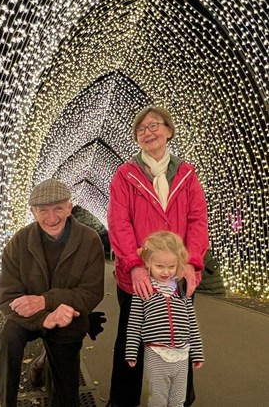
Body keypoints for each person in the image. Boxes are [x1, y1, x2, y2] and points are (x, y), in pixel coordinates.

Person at [107, 106, 209, 407]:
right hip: (136, 276)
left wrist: (191, 263)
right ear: (137, 138)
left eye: (154, 125)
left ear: (168, 131)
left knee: (180, 337)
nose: (148, 132)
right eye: (141, 129)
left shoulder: (187, 175)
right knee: (132, 336)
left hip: (176, 275)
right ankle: (123, 400)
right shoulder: (126, 175)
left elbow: (197, 220)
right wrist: (135, 266)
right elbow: (119, 222)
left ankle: (180, 399)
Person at [0, 178, 105, 407]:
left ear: (69, 207)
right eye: (43, 210)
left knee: (66, 393)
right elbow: (6, 297)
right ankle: (7, 401)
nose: (52, 217)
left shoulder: (89, 240)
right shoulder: (18, 242)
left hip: (69, 317)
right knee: (8, 336)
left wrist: (46, 300)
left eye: (58, 208)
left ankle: (42, 366)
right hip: (29, 318)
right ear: (33, 212)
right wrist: (45, 317)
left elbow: (91, 293)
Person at [125, 231, 204, 407]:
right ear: (148, 263)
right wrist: (131, 351)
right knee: (158, 399)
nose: (166, 271)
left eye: (171, 266)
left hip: (182, 356)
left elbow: (192, 323)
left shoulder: (182, 291)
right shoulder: (144, 291)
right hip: (156, 354)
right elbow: (134, 323)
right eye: (160, 266)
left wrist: (197, 352)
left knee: (178, 400)